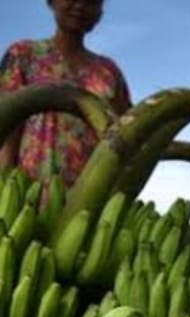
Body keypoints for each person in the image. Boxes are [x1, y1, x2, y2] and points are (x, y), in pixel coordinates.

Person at [0, 0, 132, 189]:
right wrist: (5, 184)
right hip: (29, 188)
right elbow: (8, 127)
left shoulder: (108, 71)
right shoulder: (24, 55)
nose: (80, 5)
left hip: (93, 191)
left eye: (92, 1)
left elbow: (125, 130)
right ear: (51, 2)